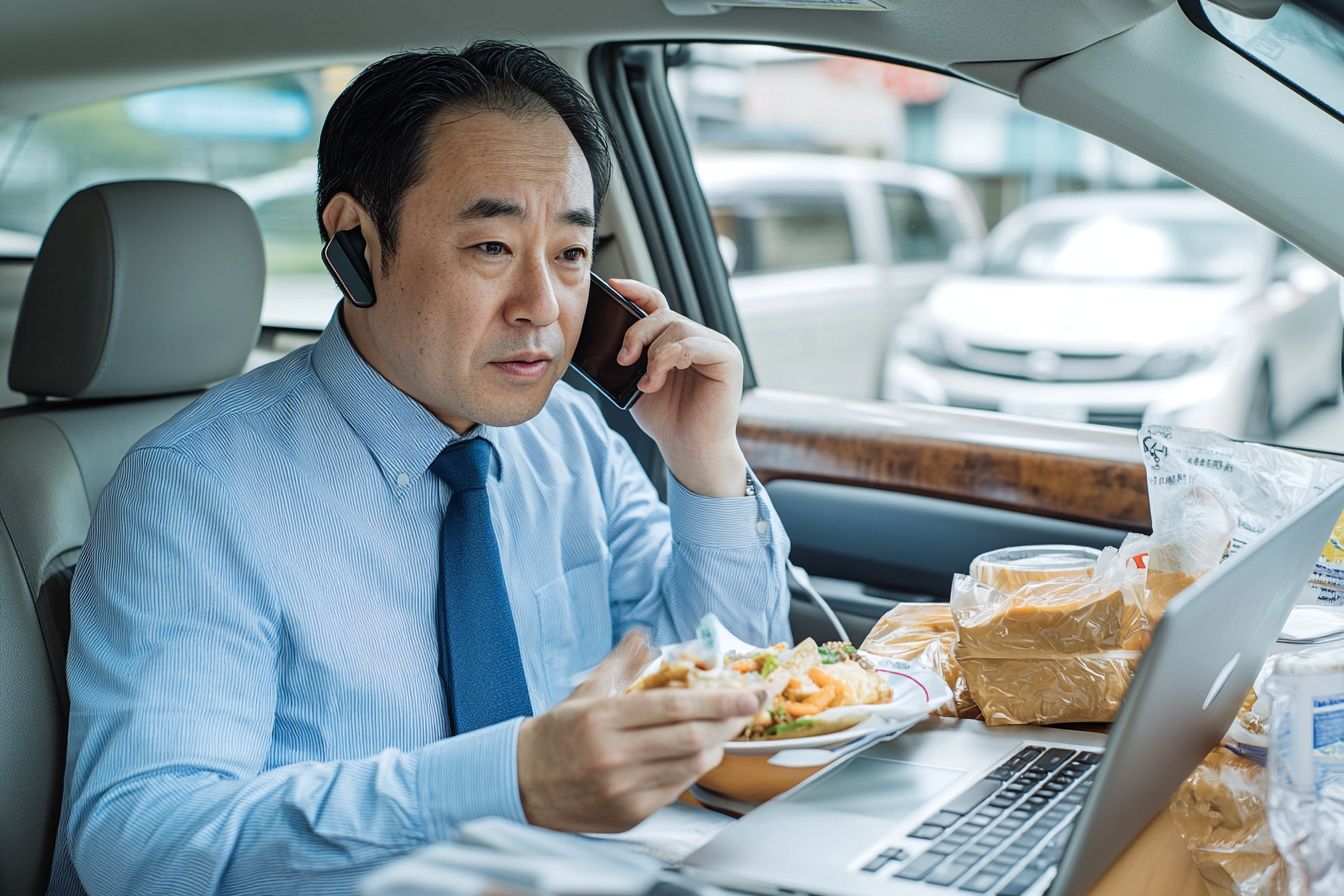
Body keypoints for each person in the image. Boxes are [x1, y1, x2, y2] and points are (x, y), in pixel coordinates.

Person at [48, 41, 792, 896]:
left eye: (571, 255)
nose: (543, 308)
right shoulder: (192, 491)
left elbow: (735, 686)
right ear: (356, 242)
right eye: (490, 246)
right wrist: (509, 781)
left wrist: (703, 462)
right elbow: (149, 849)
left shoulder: (572, 439)